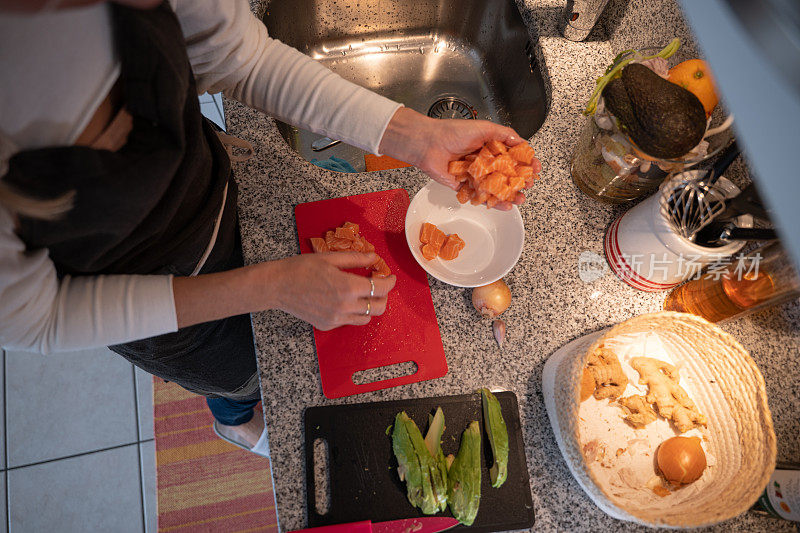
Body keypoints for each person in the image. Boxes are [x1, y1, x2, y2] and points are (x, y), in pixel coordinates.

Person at [0, 0, 535, 455]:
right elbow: (35, 320)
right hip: (143, 296)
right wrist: (270, 286)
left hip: (214, 197)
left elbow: (241, 58)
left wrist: (416, 138)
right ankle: (234, 421)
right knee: (233, 372)